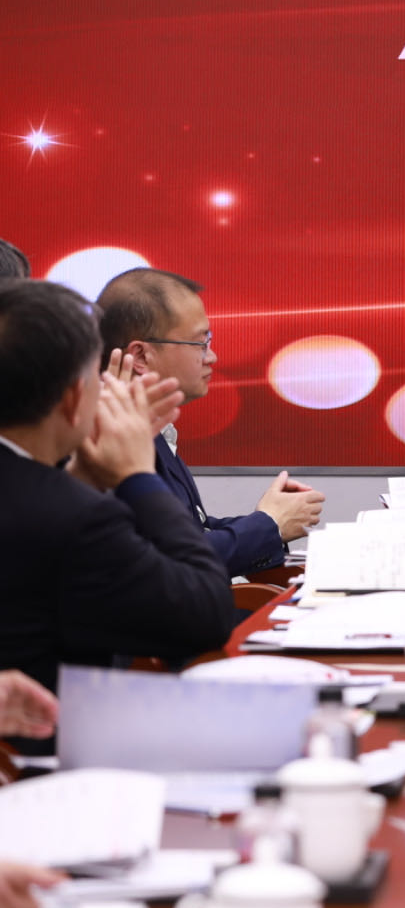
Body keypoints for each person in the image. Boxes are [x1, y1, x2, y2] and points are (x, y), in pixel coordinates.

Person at [0, 279, 235, 708]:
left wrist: (82, 481)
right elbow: (205, 613)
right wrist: (137, 474)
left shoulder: (57, 499)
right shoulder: (78, 519)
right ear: (75, 398)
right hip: (55, 736)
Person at [95, 268, 324, 575]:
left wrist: (272, 521)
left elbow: (191, 530)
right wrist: (269, 525)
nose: (212, 357)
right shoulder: (102, 441)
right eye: (200, 343)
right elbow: (166, 562)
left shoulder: (149, 427)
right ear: (140, 356)